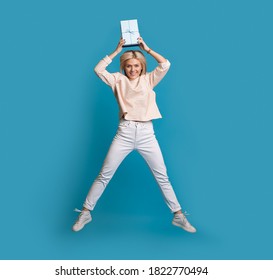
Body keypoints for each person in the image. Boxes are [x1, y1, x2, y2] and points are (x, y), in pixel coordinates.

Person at [72, 37, 196, 233]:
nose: (133, 69)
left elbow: (165, 64)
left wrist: (147, 49)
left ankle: (178, 216)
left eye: (136, 66)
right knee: (105, 174)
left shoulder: (148, 79)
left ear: (142, 66)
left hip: (147, 133)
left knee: (162, 176)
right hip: (125, 132)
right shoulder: (117, 80)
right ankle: (85, 213)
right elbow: (98, 70)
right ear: (124, 66)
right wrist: (115, 51)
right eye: (129, 66)